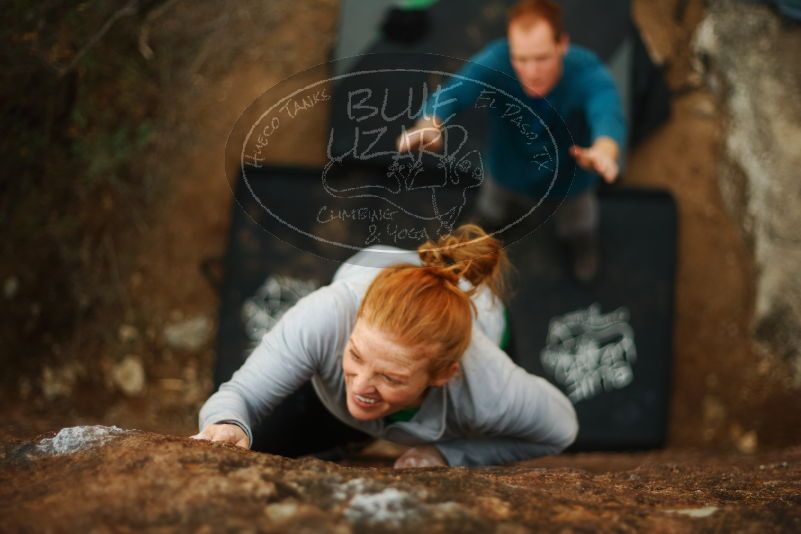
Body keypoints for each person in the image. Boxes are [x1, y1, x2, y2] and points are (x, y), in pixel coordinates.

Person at [192, 224, 578, 468]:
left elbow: (560, 428)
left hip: (482, 323)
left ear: (445, 375)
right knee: (261, 445)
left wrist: (450, 454)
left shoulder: (488, 385)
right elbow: (240, 394)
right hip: (371, 294)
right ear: (354, 325)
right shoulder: (326, 317)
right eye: (356, 355)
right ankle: (356, 429)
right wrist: (226, 423)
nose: (359, 385)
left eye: (391, 376)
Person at [397, 0, 627, 282]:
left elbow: (607, 112)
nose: (531, 72)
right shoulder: (497, 60)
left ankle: (582, 247)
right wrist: (429, 124)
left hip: (570, 180)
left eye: (542, 58)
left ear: (562, 45)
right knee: (488, 213)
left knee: (579, 224)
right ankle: (481, 234)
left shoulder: (588, 72)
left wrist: (604, 149)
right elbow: (456, 90)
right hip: (506, 171)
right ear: (510, 50)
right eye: (521, 59)